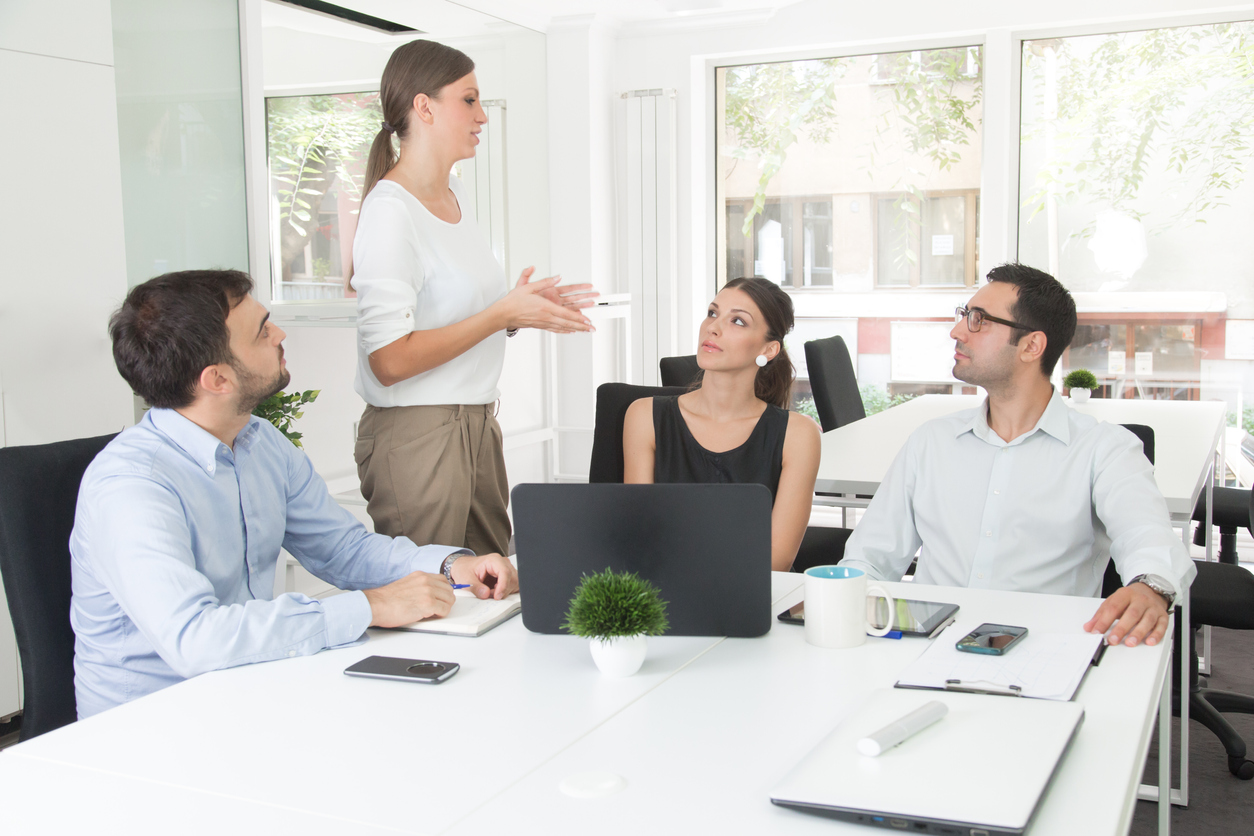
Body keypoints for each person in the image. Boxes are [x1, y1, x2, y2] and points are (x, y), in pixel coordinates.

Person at [71, 269, 518, 718]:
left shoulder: (258, 441)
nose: (280, 334)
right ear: (218, 380)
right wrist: (372, 605)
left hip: (248, 686)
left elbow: (343, 549)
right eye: (262, 331)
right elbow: (196, 639)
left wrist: (452, 565)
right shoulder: (131, 486)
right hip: (149, 724)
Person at [839, 263, 1195, 648]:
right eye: (964, 315)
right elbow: (870, 558)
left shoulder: (1105, 450)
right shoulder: (931, 442)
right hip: (924, 647)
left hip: (1042, 655)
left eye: (979, 320)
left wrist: (1150, 587)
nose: (957, 331)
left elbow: (1147, 536)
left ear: (1031, 346)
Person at [351, 40, 597, 557]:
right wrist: (500, 314)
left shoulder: (456, 193)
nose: (482, 115)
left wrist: (519, 309)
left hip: (477, 423)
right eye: (469, 100)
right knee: (431, 601)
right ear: (424, 107)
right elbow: (389, 361)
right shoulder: (390, 211)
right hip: (418, 435)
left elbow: (460, 314)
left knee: (493, 590)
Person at [622, 277, 821, 571]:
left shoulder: (798, 435)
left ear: (768, 350)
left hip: (753, 601)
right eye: (713, 313)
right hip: (664, 598)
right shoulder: (643, 417)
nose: (712, 327)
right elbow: (639, 537)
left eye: (738, 321)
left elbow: (776, 561)